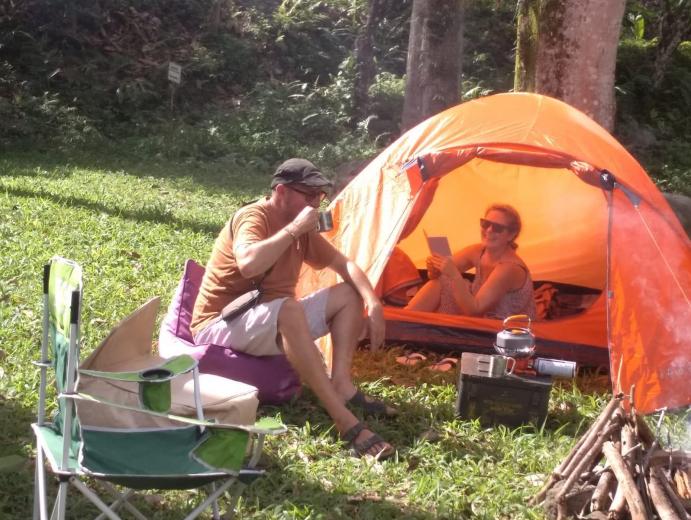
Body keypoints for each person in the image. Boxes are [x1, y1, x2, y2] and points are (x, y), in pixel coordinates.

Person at [191, 158, 395, 459]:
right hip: (221, 324)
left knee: (348, 294)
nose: (315, 203)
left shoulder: (302, 230)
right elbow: (249, 264)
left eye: (319, 196)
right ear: (282, 191)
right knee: (288, 309)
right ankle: (344, 422)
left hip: (271, 318)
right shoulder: (253, 217)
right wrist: (294, 229)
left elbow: (343, 264)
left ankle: (341, 384)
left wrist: (373, 302)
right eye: (308, 194)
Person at [406, 204, 536, 320]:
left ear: (511, 235)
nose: (489, 230)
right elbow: (438, 275)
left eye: (497, 228)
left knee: (450, 280)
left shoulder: (510, 268)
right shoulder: (478, 251)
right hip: (478, 313)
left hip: (501, 327)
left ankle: (407, 323)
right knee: (440, 282)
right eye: (485, 224)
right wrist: (434, 268)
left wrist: (455, 275)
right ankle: (405, 318)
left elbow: (474, 310)